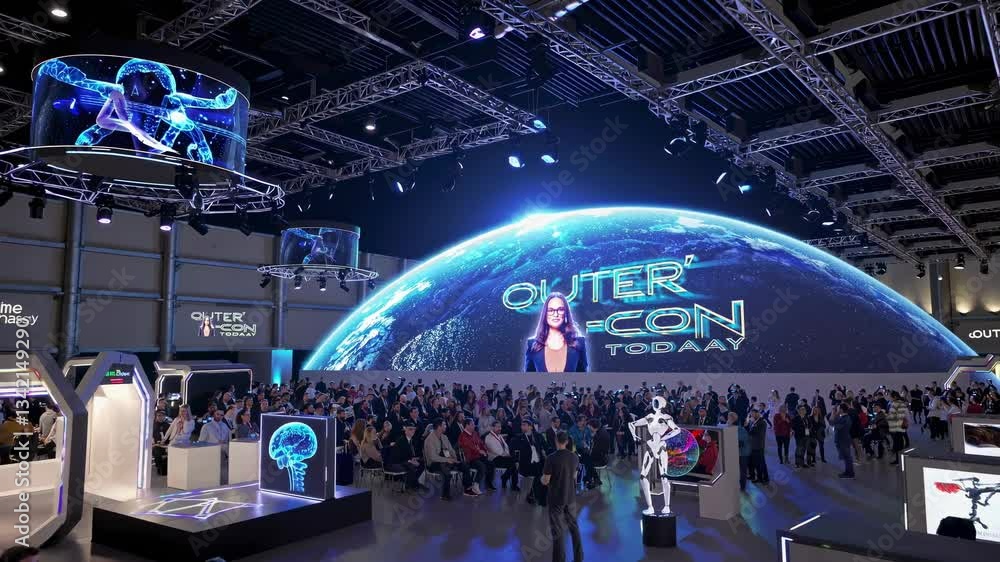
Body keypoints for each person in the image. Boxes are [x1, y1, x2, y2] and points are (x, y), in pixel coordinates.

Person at [541, 431, 583, 562]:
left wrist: (541, 479)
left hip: (556, 498)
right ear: (567, 441)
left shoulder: (551, 458)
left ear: (556, 441)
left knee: (557, 531)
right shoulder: (574, 457)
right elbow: (574, 477)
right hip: (570, 496)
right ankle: (579, 557)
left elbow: (546, 480)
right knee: (574, 528)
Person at [524, 292, 589, 372]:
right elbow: (528, 377)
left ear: (566, 313)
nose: (555, 314)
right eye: (550, 310)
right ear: (545, 314)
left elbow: (583, 376)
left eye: (560, 309)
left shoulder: (579, 343)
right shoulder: (532, 344)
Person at [423, 418, 477, 500]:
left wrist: (454, 458)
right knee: (446, 472)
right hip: (434, 463)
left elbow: (451, 450)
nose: (446, 426)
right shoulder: (429, 439)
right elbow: (433, 457)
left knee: (464, 466)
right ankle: (445, 495)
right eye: (444, 425)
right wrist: (447, 460)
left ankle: (467, 489)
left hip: (447, 461)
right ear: (439, 427)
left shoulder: (444, 437)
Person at [514, 418, 548, 505]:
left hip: (538, 461)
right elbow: (515, 451)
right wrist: (516, 461)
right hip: (526, 463)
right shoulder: (519, 437)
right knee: (534, 477)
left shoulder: (538, 436)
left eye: (524, 425)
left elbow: (545, 446)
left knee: (540, 475)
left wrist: (544, 452)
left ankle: (536, 495)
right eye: (522, 425)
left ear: (531, 427)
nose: (522, 427)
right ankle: (532, 495)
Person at [387, 421, 426, 492]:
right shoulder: (401, 440)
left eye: (414, 429)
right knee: (411, 466)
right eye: (410, 429)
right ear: (405, 431)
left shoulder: (413, 440)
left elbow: (411, 454)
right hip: (397, 462)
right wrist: (410, 460)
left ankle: (412, 483)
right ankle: (412, 485)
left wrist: (415, 458)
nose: (413, 431)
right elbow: (398, 456)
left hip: (406, 460)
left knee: (422, 464)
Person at [485, 420, 518, 490]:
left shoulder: (499, 436)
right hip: (494, 458)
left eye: (500, 427)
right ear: (492, 428)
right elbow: (495, 450)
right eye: (497, 427)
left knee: (514, 463)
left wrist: (507, 454)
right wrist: (506, 455)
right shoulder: (488, 437)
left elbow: (506, 447)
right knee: (513, 463)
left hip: (502, 457)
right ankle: (509, 482)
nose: (500, 428)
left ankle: (507, 479)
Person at [457, 418, 489, 492]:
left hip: (478, 456)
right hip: (470, 458)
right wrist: (479, 451)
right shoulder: (462, 436)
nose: (474, 426)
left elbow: (481, 443)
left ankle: (488, 484)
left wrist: (485, 450)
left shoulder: (474, 433)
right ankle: (475, 484)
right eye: (472, 424)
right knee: (482, 466)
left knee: (490, 464)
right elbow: (469, 446)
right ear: (467, 426)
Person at [832, 402, 855, 478]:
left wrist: (835, 415)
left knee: (847, 457)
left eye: (839, 409)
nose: (838, 410)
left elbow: (834, 424)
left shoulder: (845, 418)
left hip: (843, 440)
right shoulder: (844, 417)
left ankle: (850, 473)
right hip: (843, 439)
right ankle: (848, 471)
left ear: (841, 410)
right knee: (846, 457)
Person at [747, 409, 769, 484]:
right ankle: (757, 477)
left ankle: (765, 478)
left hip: (759, 446)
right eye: (751, 414)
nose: (752, 415)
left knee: (761, 463)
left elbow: (754, 432)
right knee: (754, 463)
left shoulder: (762, 422)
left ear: (757, 413)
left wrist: (752, 426)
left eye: (753, 413)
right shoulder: (753, 422)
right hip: (752, 446)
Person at [887, 391, 909, 465]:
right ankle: (900, 460)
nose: (890, 398)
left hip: (896, 427)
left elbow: (892, 416)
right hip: (900, 427)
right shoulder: (902, 403)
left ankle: (898, 461)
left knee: (897, 444)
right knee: (900, 443)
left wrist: (886, 416)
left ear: (895, 397)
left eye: (890, 397)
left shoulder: (895, 404)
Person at [588, 418, 611, 488]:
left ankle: (595, 480)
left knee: (587, 462)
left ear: (593, 427)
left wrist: (589, 452)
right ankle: (595, 479)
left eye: (590, 427)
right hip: (604, 455)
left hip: (602, 459)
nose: (589, 428)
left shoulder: (599, 435)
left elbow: (595, 451)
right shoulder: (602, 430)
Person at [732, 412, 750, 492]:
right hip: (738, 453)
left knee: (742, 470)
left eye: (728, 419)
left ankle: (742, 486)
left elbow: (741, 443)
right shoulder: (735, 429)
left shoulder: (741, 430)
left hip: (742, 454)